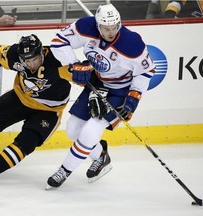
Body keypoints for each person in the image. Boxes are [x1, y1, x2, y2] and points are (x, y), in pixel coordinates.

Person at [0, 34, 91, 185]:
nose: (32, 64)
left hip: (48, 110)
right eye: (27, 61)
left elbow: (85, 77)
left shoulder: (58, 60)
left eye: (35, 59)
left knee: (26, 142)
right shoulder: (15, 55)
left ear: (41, 52)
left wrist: (86, 71)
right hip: (19, 97)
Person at [46, 3, 156, 188]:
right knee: (73, 130)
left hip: (120, 91)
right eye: (106, 28)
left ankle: (64, 171)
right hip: (95, 84)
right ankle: (101, 156)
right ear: (98, 25)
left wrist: (133, 97)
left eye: (114, 27)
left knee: (90, 131)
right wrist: (73, 65)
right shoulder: (86, 27)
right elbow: (58, 42)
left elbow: (146, 71)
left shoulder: (132, 43)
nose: (111, 32)